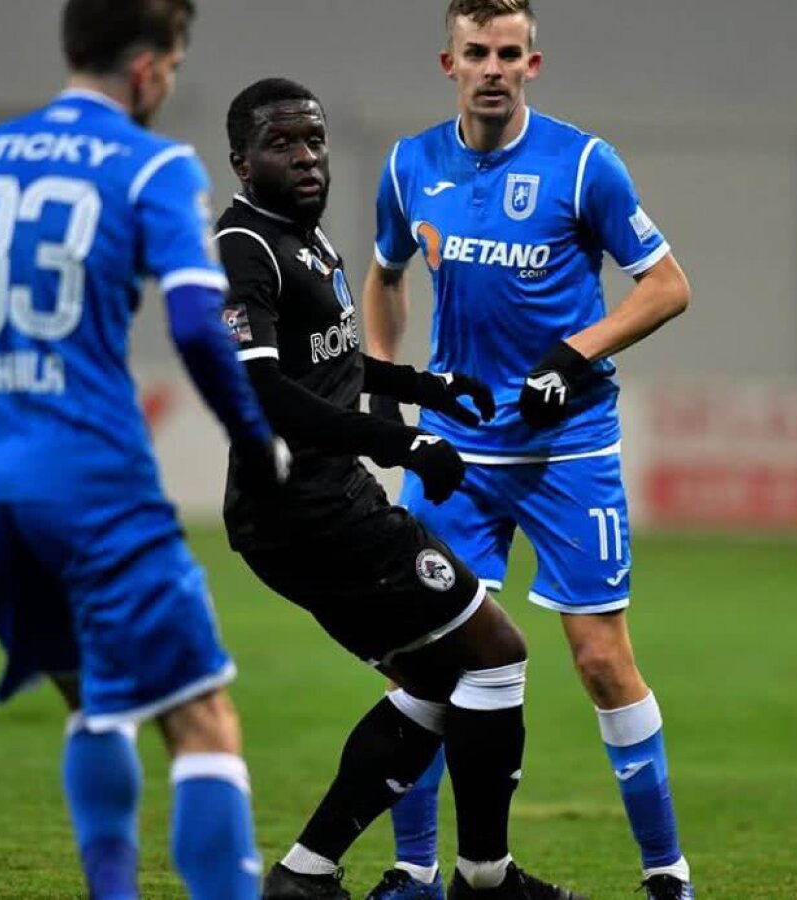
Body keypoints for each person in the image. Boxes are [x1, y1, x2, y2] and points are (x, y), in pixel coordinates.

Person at [0, 2, 291, 898]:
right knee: (202, 720)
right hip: (90, 484)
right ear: (150, 68)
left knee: (95, 702)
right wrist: (254, 436)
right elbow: (200, 325)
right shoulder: (152, 162)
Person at [215, 77, 586, 900]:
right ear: (241, 161)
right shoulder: (243, 247)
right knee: (495, 656)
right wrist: (406, 443)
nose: (307, 156)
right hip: (309, 510)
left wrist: (425, 386)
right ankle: (486, 882)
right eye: (283, 144)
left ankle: (305, 876)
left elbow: (333, 365)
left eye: (313, 139)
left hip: (310, 509)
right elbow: (268, 394)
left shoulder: (302, 238)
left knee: (432, 679)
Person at [362, 2, 694, 899]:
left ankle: (667, 877)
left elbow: (667, 287)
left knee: (598, 660)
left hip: (568, 449)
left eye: (510, 52)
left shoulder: (585, 165)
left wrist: (573, 355)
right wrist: (387, 387)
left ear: (533, 64)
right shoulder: (407, 166)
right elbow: (385, 274)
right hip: (454, 453)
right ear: (450, 63)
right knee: (427, 658)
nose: (494, 67)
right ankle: (414, 873)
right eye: (478, 52)